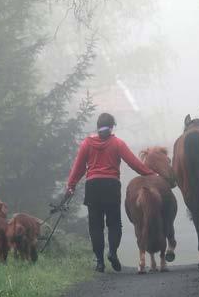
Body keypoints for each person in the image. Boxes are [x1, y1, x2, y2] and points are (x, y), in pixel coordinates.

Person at [62, 112, 156, 272]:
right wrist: (152, 174)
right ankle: (112, 252)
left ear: (98, 126)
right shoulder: (117, 143)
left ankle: (99, 262)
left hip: (92, 186)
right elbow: (133, 163)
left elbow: (77, 169)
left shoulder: (86, 144)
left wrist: (70, 186)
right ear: (112, 127)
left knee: (95, 226)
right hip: (111, 185)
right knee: (114, 224)